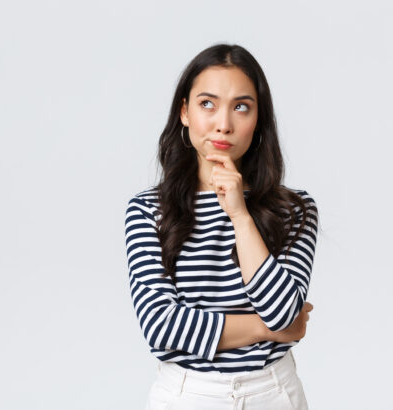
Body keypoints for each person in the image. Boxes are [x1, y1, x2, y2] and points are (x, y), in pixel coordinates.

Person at [124, 43, 319, 409]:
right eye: (207, 104)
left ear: (258, 118)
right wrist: (264, 329)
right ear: (184, 111)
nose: (223, 124)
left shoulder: (294, 209)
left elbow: (280, 311)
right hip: (186, 396)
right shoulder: (149, 210)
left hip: (272, 393)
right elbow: (161, 326)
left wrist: (240, 216)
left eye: (241, 107)